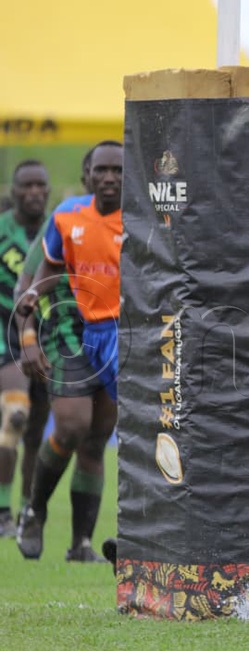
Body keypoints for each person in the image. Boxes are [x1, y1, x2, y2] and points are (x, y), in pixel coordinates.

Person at [16, 140, 123, 562]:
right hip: (73, 330)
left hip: (123, 336)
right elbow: (38, 281)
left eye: (118, 170)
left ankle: (81, 544)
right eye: (102, 170)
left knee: (98, 438)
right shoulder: (66, 218)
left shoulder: (147, 221)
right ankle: (34, 511)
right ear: (87, 176)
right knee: (72, 425)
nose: (110, 177)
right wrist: (28, 338)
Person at [0, 160, 50, 536]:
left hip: (49, 339)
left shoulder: (56, 231)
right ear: (14, 191)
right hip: (5, 336)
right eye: (26, 186)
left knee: (35, 434)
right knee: (15, 414)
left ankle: (25, 514)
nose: (33, 192)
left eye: (40, 186)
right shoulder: (2, 231)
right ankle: (2, 512)